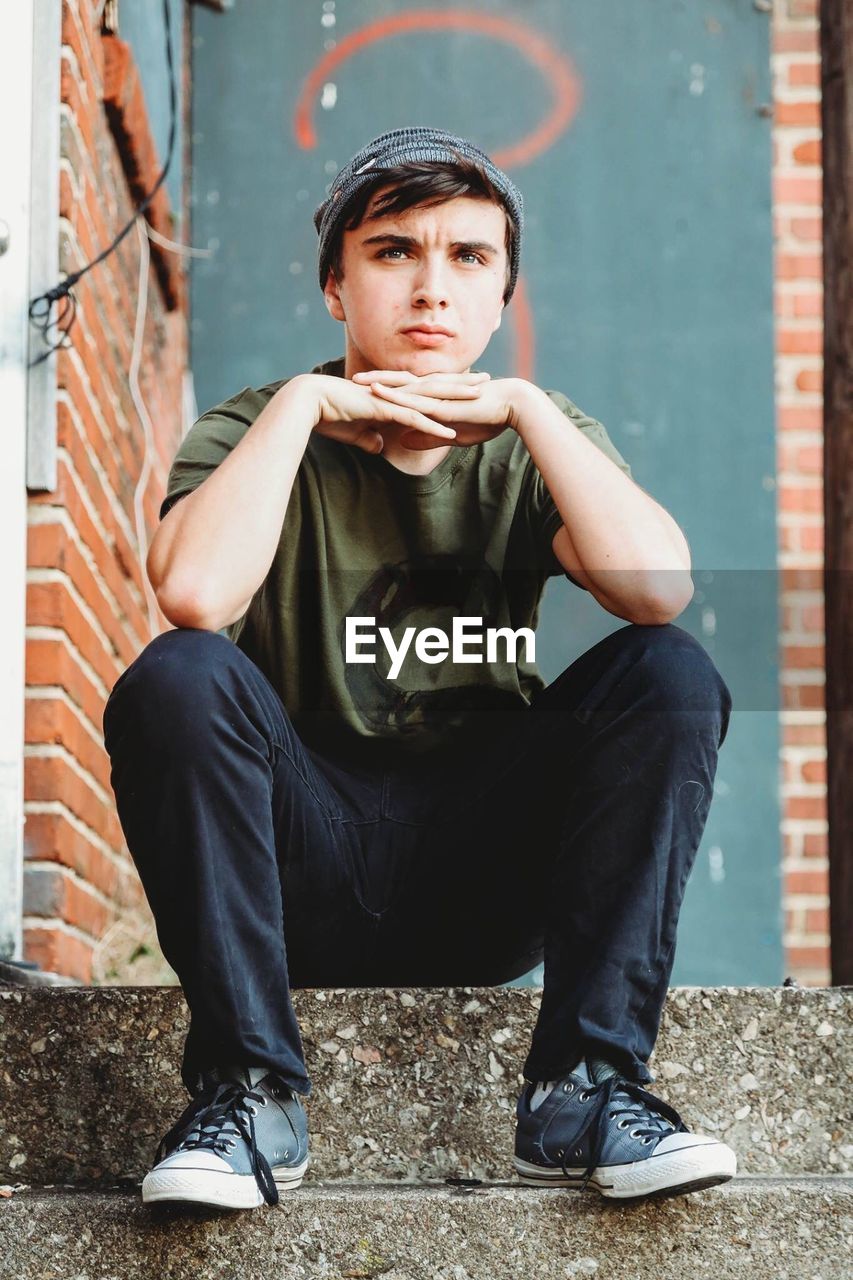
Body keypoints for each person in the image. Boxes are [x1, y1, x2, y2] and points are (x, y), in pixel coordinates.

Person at [103, 126, 736, 1211]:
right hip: (301, 867)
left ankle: (587, 1087)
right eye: (394, 252)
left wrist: (530, 410)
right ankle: (250, 1094)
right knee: (178, 674)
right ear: (336, 286)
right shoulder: (253, 428)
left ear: (500, 297)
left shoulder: (536, 440)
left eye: (468, 258)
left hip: (481, 867)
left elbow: (657, 588)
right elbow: (197, 598)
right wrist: (306, 408)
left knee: (667, 670)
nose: (431, 288)